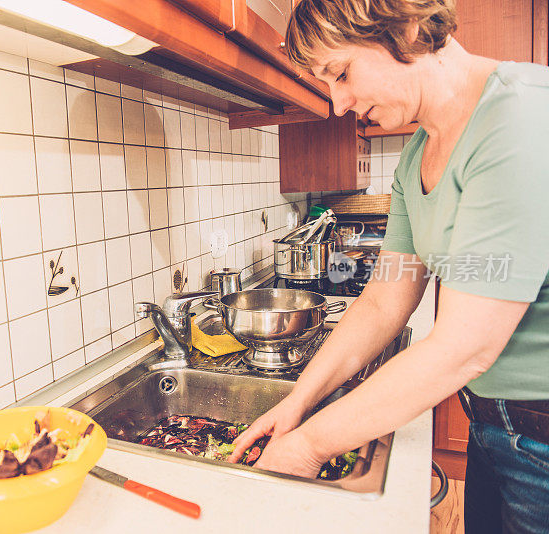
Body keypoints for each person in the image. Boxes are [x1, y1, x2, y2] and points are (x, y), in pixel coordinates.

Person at [226, 0, 549, 531]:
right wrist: (299, 403)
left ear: (405, 27)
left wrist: (309, 446)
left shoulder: (518, 119)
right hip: (493, 424)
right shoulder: (416, 154)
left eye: (343, 73)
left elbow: (465, 347)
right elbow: (382, 300)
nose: (338, 103)